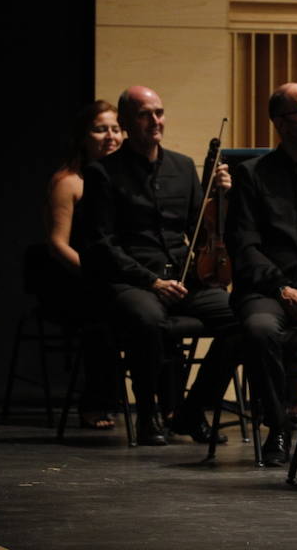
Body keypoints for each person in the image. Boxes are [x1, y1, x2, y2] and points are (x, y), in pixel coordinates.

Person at [80, 86, 241, 446]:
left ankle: (192, 409)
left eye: (159, 112)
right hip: (131, 282)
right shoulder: (102, 174)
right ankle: (149, 413)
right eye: (144, 114)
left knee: (240, 318)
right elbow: (101, 244)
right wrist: (151, 282)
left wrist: (221, 197)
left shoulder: (183, 167)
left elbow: (201, 230)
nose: (155, 121)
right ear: (124, 122)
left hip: (183, 279)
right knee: (148, 320)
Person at [226, 83, 297, 466]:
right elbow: (244, 246)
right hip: (268, 290)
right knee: (259, 329)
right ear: (279, 122)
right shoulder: (251, 175)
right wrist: (282, 288)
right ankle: (277, 428)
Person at [43, 100, 124, 429]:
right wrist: (96, 275)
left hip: (118, 277)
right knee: (103, 315)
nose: (110, 136)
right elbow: (57, 244)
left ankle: (169, 404)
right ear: (83, 136)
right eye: (100, 129)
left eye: (116, 129)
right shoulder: (69, 182)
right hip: (76, 280)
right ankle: (96, 401)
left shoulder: (127, 179)